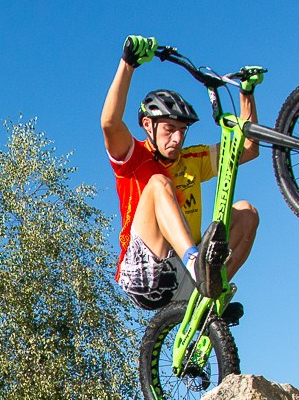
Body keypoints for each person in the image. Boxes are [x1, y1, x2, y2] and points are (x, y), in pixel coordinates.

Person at [102, 34, 261, 320]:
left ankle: (211, 294)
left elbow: (249, 149)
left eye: (182, 131)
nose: (176, 138)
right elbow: (110, 123)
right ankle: (196, 264)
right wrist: (128, 64)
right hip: (143, 271)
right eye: (169, 129)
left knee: (247, 212)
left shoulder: (191, 160)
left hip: (183, 275)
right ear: (148, 125)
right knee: (159, 184)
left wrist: (246, 93)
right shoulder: (133, 156)